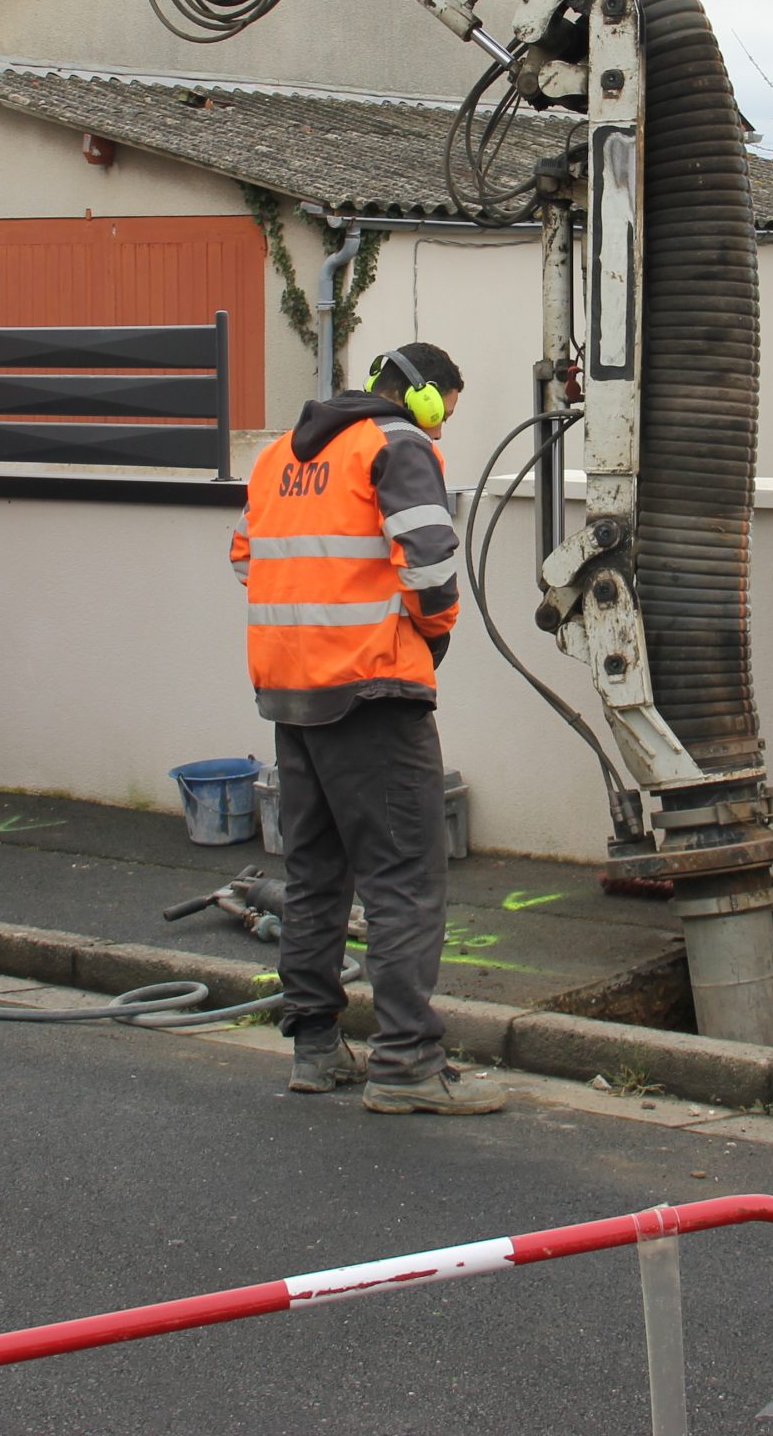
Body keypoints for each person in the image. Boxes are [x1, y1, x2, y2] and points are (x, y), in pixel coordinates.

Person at [230, 342, 504, 1115]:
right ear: (418, 396)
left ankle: (315, 1051)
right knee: (404, 881)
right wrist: (432, 635)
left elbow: (247, 558)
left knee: (315, 874)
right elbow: (429, 567)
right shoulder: (397, 444)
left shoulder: (280, 454)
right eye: (447, 406)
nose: (445, 424)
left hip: (290, 695)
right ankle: (409, 1065)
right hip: (374, 694)